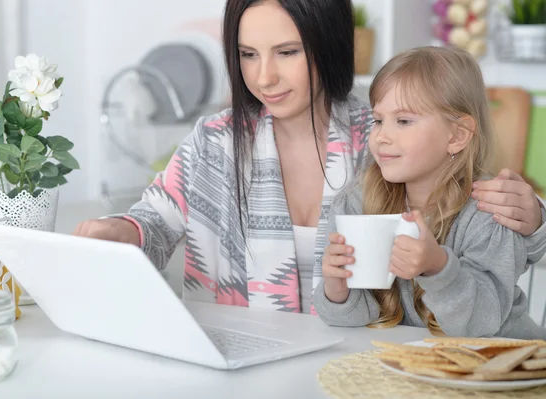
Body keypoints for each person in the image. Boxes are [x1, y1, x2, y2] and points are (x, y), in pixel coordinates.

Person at [74, 0, 546, 315]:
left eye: (287, 52)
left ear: (327, 44)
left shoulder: (385, 138)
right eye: (247, 54)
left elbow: (477, 235)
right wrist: (119, 231)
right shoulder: (214, 142)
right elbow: (153, 223)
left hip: (362, 366)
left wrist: (535, 221)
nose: (265, 77)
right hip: (239, 361)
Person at [315, 46, 545, 339]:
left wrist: (438, 268)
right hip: (416, 367)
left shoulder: (490, 211)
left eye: (404, 121)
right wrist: (337, 288)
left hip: (507, 367)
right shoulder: (355, 204)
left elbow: (482, 325)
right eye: (378, 120)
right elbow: (355, 321)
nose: (382, 136)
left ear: (457, 135)